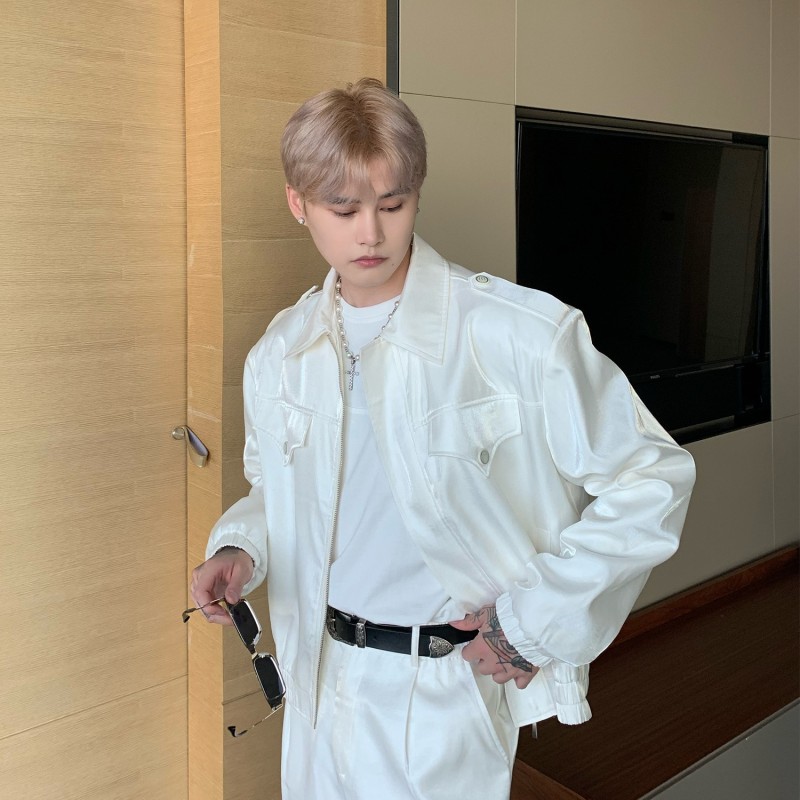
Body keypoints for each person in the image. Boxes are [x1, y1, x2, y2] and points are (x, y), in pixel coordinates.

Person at [189, 77, 696, 799]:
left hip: (442, 694)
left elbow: (652, 477)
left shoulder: (517, 335)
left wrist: (532, 623)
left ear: (417, 195)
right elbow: (277, 486)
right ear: (298, 204)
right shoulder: (281, 351)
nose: (370, 233)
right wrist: (240, 547)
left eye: (392, 204)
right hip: (319, 682)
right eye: (344, 209)